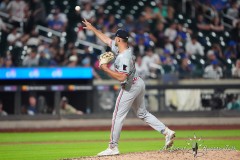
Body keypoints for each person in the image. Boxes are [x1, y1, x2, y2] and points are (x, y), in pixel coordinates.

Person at [82, 19, 175, 156]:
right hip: (138, 83)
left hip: (130, 86)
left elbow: (122, 77)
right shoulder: (121, 48)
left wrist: (105, 69)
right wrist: (93, 29)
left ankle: (113, 147)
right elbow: (106, 40)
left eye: (115, 37)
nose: (113, 39)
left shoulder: (124, 57)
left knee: (117, 116)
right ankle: (166, 132)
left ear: (119, 39)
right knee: (142, 113)